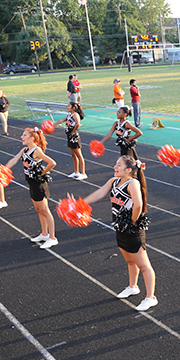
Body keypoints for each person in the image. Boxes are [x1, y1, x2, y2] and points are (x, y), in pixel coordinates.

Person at [84, 156, 157, 312]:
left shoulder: (133, 183)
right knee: (130, 261)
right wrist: (81, 203)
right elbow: (98, 194)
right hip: (120, 227)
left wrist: (132, 222)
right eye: (115, 164)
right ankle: (132, 287)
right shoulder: (114, 181)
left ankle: (151, 298)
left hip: (132, 229)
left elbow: (138, 204)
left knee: (144, 265)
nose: (115, 167)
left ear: (128, 170)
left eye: (119, 165)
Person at [6, 128, 58, 250]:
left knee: (45, 210)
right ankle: (44, 234)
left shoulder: (37, 151)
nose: (21, 137)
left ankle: (52, 238)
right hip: (31, 183)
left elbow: (52, 163)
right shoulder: (25, 150)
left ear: (32, 138)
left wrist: (42, 173)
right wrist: (3, 169)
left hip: (39, 184)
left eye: (24, 135)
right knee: (38, 209)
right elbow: (14, 160)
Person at [54, 102, 86, 180]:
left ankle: (83, 173)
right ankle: (76, 172)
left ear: (73, 108)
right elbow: (61, 120)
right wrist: (53, 123)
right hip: (69, 136)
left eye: (68, 106)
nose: (67, 107)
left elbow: (78, 124)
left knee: (79, 155)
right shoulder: (69, 115)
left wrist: (73, 132)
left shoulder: (75, 115)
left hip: (74, 137)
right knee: (73, 155)